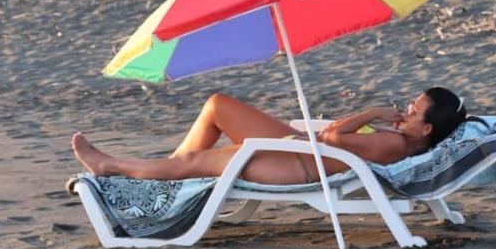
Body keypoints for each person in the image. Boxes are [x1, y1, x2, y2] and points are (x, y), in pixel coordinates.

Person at [71, 87, 467, 185]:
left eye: (413, 112)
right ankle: (167, 174)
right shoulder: (401, 141)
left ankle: (111, 166)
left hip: (291, 162)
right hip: (296, 148)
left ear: (427, 129)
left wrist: (374, 114)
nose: (405, 112)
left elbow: (332, 138)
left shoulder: (394, 143)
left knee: (195, 163)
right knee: (218, 106)